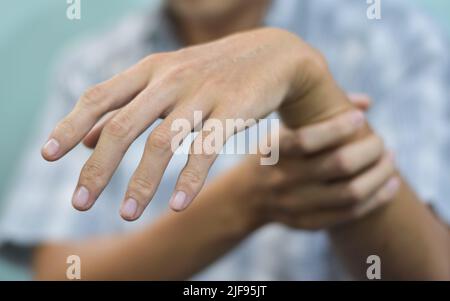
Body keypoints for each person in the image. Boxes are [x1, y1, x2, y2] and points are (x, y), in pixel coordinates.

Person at [1, 0, 449, 280]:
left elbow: (433, 269)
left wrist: (308, 84)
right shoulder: (94, 65)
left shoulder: (388, 37)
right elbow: (62, 273)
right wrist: (245, 202)